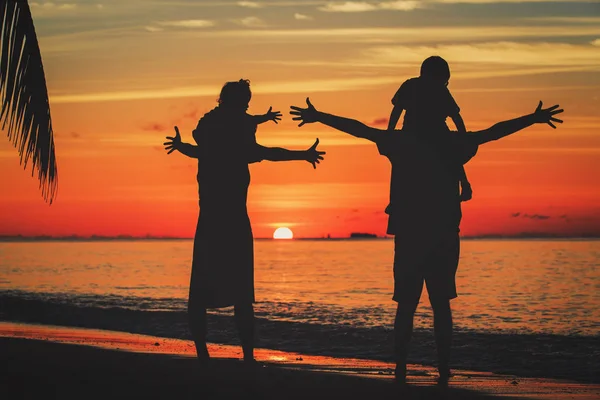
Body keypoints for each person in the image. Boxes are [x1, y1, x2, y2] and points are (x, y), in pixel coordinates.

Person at [290, 98, 563, 384]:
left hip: (410, 233)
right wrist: (531, 119)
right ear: (442, 113)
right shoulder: (452, 143)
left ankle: (401, 368)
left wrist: (320, 115)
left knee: (406, 304)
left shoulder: (401, 142)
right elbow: (493, 132)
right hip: (443, 232)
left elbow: (359, 129)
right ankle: (443, 368)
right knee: (441, 304)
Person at [164, 79, 325, 364]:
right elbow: (266, 152)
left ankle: (205, 354)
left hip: (211, 219)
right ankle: (247, 356)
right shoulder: (236, 130)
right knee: (240, 293)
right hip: (234, 220)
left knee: (202, 291)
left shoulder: (210, 126)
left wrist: (181, 146)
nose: (248, 108)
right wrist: (302, 154)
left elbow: (201, 147)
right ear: (239, 102)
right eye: (246, 102)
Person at [388, 56, 473, 202]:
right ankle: (464, 184)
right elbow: (456, 116)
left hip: (413, 132)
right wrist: (463, 136)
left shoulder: (410, 85)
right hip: (435, 133)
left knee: (403, 169)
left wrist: (389, 132)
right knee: (453, 156)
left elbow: (397, 110)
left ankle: (396, 200)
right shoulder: (439, 89)